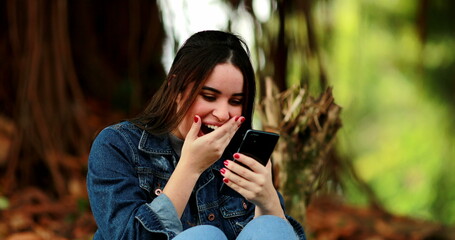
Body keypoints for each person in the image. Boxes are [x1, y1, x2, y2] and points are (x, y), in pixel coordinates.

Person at [87, 30, 306, 240]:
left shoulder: (239, 160)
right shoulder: (117, 145)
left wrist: (268, 202)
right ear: (175, 88)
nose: (222, 114)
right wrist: (190, 167)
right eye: (209, 96)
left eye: (236, 101)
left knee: (271, 226)